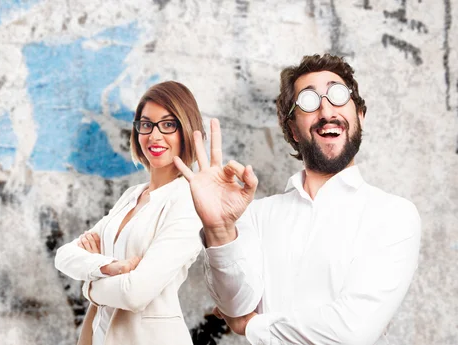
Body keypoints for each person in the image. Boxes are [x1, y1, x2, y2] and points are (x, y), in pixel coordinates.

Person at [173, 54, 421, 345]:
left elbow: (352, 330)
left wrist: (253, 326)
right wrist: (219, 230)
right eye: (309, 101)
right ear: (292, 129)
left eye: (338, 95)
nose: (326, 109)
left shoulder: (394, 215)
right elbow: (235, 306)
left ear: (360, 116)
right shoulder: (255, 215)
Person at [54, 81, 205, 345]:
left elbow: (136, 293)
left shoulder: (189, 200)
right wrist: (109, 267)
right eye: (146, 124)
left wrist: (89, 285)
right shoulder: (132, 195)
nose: (154, 136)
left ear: (186, 131)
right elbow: (64, 256)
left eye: (168, 125)